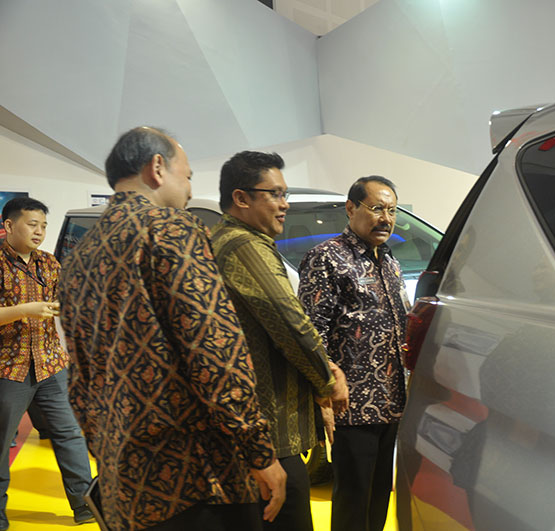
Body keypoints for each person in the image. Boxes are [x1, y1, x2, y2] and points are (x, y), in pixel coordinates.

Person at [57, 127, 286, 531]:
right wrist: (258, 450)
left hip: (125, 478)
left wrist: (106, 450)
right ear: (157, 167)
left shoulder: (81, 255)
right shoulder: (172, 229)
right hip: (194, 475)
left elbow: (80, 378)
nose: (190, 188)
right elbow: (216, 352)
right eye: (188, 175)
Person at [210, 151, 349, 530]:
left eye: (284, 194)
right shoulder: (244, 246)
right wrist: (327, 380)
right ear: (241, 198)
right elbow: (290, 324)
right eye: (274, 194)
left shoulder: (232, 240)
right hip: (269, 429)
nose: (284, 204)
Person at [298, 176, 411, 531]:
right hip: (353, 406)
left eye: (392, 211)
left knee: (380, 497)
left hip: (392, 401)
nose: (385, 219)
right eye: (376, 209)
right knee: (353, 501)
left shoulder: (388, 260)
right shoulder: (327, 258)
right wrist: (324, 389)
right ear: (351, 208)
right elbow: (311, 333)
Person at [0, 197, 95, 530]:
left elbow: (62, 302)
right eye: (32, 224)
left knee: (70, 435)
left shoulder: (49, 262)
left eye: (43, 225)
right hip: (8, 368)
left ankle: (86, 506)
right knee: (2, 443)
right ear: (9, 225)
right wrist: (25, 310)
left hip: (50, 364)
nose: (39, 231)